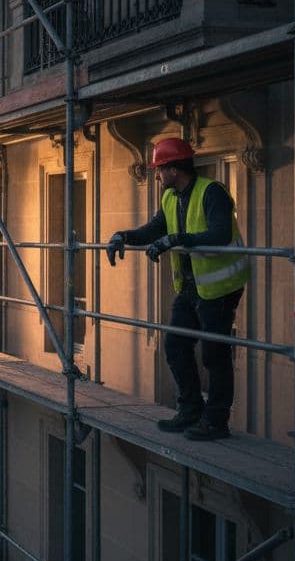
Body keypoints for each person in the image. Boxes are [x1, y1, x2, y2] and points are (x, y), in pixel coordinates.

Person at [105, 138, 250, 441]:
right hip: (190, 288)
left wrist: (177, 239)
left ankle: (216, 420)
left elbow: (220, 234)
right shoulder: (171, 198)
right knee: (175, 346)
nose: (156, 175)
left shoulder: (212, 192)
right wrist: (122, 235)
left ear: (173, 169)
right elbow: (154, 229)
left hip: (220, 288)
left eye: (159, 169)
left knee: (214, 354)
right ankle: (190, 410)